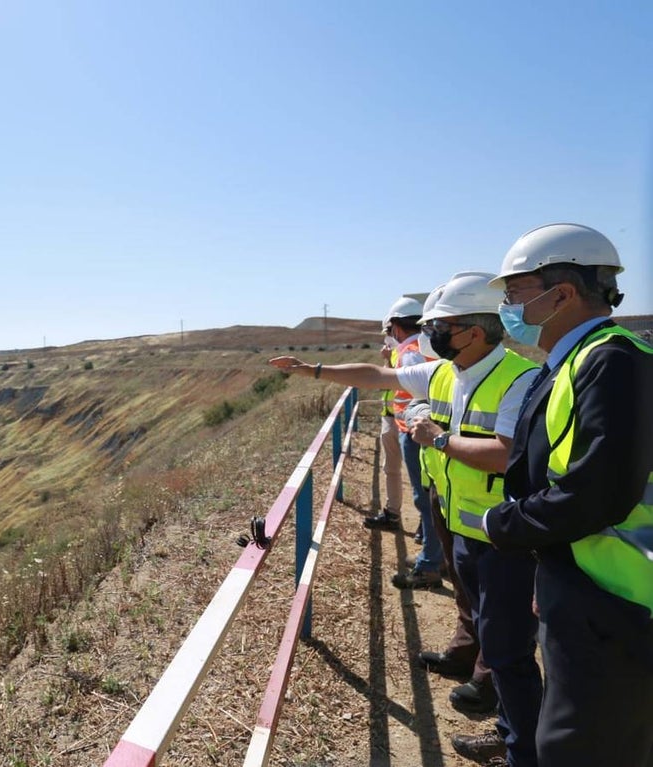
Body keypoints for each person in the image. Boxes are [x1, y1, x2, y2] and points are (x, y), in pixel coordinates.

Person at [270, 271, 541, 766]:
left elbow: (506, 455)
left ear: (473, 332)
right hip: (459, 521)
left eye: (439, 327)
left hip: (502, 532)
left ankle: (521, 747)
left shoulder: (519, 380)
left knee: (509, 646)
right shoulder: (444, 372)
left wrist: (438, 439)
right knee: (479, 617)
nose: (428, 334)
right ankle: (498, 709)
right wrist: (314, 370)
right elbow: (377, 377)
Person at [483, 223, 653, 766]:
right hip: (582, 584)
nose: (507, 308)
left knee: (579, 750)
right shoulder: (574, 361)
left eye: (515, 292)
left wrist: (502, 524)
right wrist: (548, 568)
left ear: (561, 295)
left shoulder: (613, 362)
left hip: (617, 603)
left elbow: (597, 494)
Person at [369, 296, 429, 534]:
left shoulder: (412, 351)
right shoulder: (401, 350)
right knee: (395, 469)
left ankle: (427, 528)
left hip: (410, 423)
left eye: (389, 331)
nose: (388, 336)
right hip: (394, 416)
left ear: (395, 327)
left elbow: (411, 384)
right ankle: (398, 515)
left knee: (421, 479)